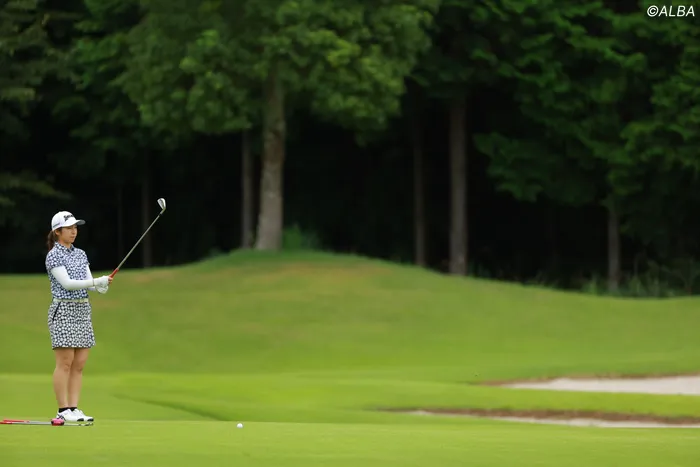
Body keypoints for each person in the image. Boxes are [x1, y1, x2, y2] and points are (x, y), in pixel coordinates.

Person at [45, 211, 113, 423]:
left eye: (75, 228)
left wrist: (100, 286)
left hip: (82, 310)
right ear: (58, 231)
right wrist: (95, 282)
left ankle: (73, 409)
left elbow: (88, 283)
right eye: (69, 228)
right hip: (63, 310)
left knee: (79, 363)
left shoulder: (81, 254)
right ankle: (62, 409)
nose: (74, 231)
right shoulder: (53, 255)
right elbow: (67, 284)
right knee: (65, 362)